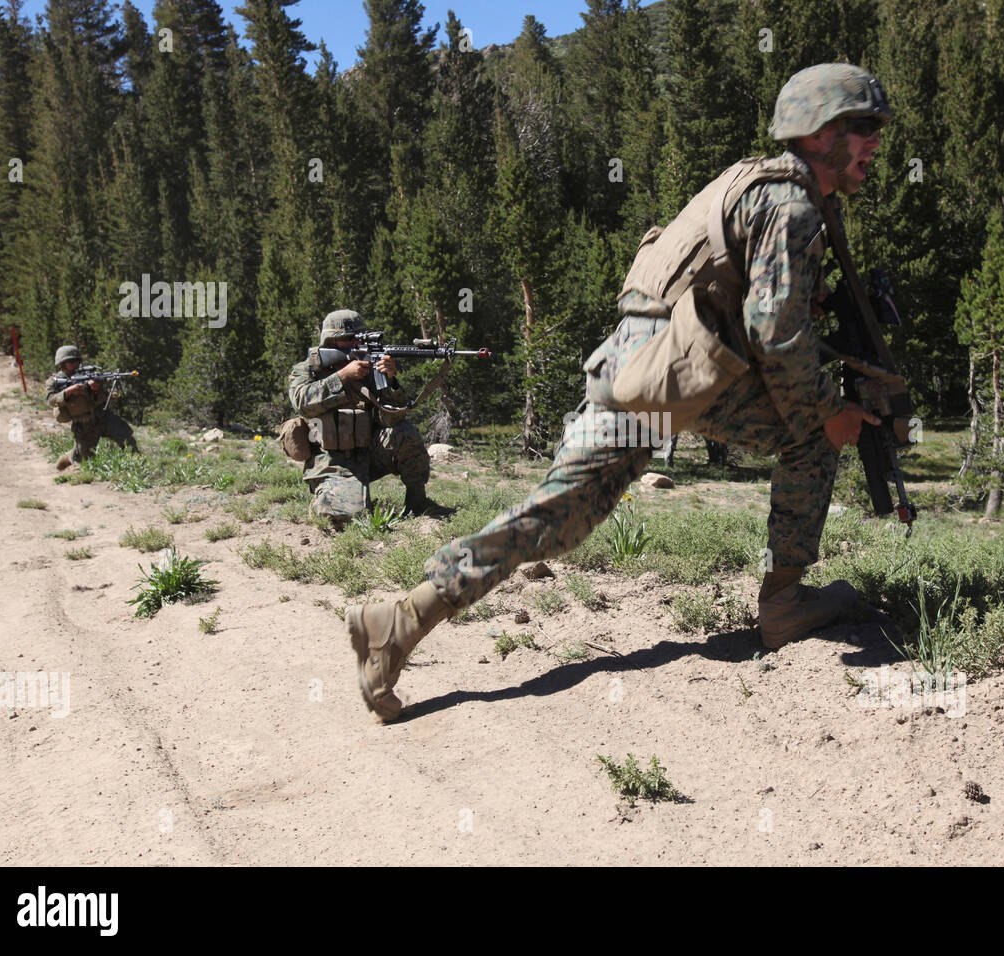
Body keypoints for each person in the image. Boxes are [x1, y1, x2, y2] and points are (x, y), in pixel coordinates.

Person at [347, 64, 891, 721]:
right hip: (675, 369)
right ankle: (783, 603)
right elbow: (777, 334)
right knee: (814, 434)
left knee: (557, 520)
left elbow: (755, 303)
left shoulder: (759, 182)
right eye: (863, 128)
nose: (875, 143)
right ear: (821, 132)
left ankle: (398, 623)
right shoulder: (793, 203)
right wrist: (830, 414)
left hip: (639, 364)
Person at [287, 309, 453, 529]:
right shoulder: (308, 369)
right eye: (348, 340)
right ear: (330, 341)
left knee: (405, 432)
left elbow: (392, 419)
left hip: (369, 453)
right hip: (329, 461)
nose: (355, 343)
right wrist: (342, 377)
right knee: (349, 518)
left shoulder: (369, 368)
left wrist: (390, 381)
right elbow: (301, 403)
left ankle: (418, 502)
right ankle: (324, 500)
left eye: (359, 338)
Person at [45, 345, 138, 470]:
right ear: (62, 363)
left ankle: (136, 465)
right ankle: (70, 457)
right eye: (71, 361)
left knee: (126, 437)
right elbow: (51, 399)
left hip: (103, 416)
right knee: (85, 460)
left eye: (78, 361)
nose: (76, 364)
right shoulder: (55, 380)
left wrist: (94, 390)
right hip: (83, 423)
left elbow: (104, 398)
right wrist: (68, 392)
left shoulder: (89, 375)